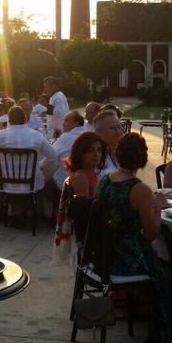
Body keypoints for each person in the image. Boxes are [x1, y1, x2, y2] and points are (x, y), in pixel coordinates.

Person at [95, 132, 172, 343]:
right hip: (128, 258)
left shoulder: (104, 180)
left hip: (104, 253)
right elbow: (151, 235)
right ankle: (164, 332)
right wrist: (157, 206)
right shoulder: (140, 189)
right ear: (143, 158)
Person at [52, 131, 105, 264]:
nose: (96, 154)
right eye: (91, 151)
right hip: (91, 238)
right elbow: (85, 216)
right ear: (80, 153)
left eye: (99, 150)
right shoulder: (81, 177)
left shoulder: (91, 174)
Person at [51, 111, 86, 189]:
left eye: (67, 121)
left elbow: (51, 155)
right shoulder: (88, 135)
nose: (63, 124)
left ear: (76, 124)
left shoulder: (66, 137)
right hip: (85, 181)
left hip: (66, 182)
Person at [94, 109, 123, 177]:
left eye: (119, 127)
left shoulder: (120, 153)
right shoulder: (95, 157)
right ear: (98, 131)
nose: (118, 132)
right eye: (112, 128)